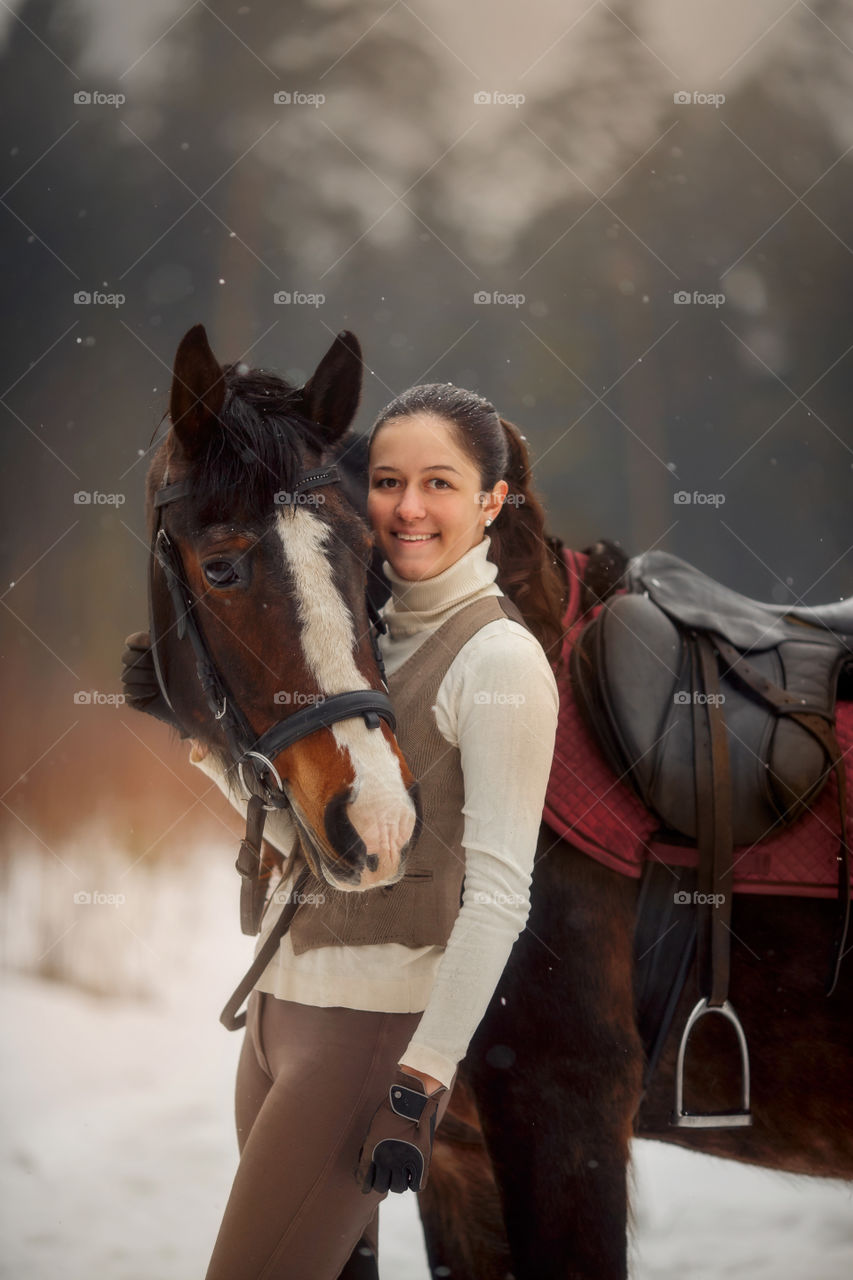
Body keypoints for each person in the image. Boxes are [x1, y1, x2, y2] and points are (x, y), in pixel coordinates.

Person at [123, 382, 565, 1280]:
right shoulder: (363, 640)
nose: (407, 507)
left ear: (490, 501)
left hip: (368, 1039)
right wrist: (202, 744)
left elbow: (498, 898)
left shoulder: (499, 659)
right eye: (389, 480)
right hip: (279, 1021)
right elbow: (332, 854)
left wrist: (419, 1081)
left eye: (439, 483)